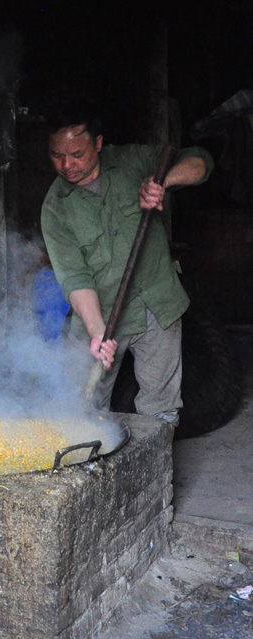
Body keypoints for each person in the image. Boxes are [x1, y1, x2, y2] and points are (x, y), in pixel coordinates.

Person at [40, 103, 214, 429]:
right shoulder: (55, 209)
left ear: (99, 143)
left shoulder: (131, 161)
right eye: (56, 156)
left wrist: (165, 181)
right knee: (84, 414)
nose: (66, 165)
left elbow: (201, 162)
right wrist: (96, 333)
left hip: (157, 304)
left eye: (76, 154)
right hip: (100, 315)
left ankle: (155, 474)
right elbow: (75, 278)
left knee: (160, 411)